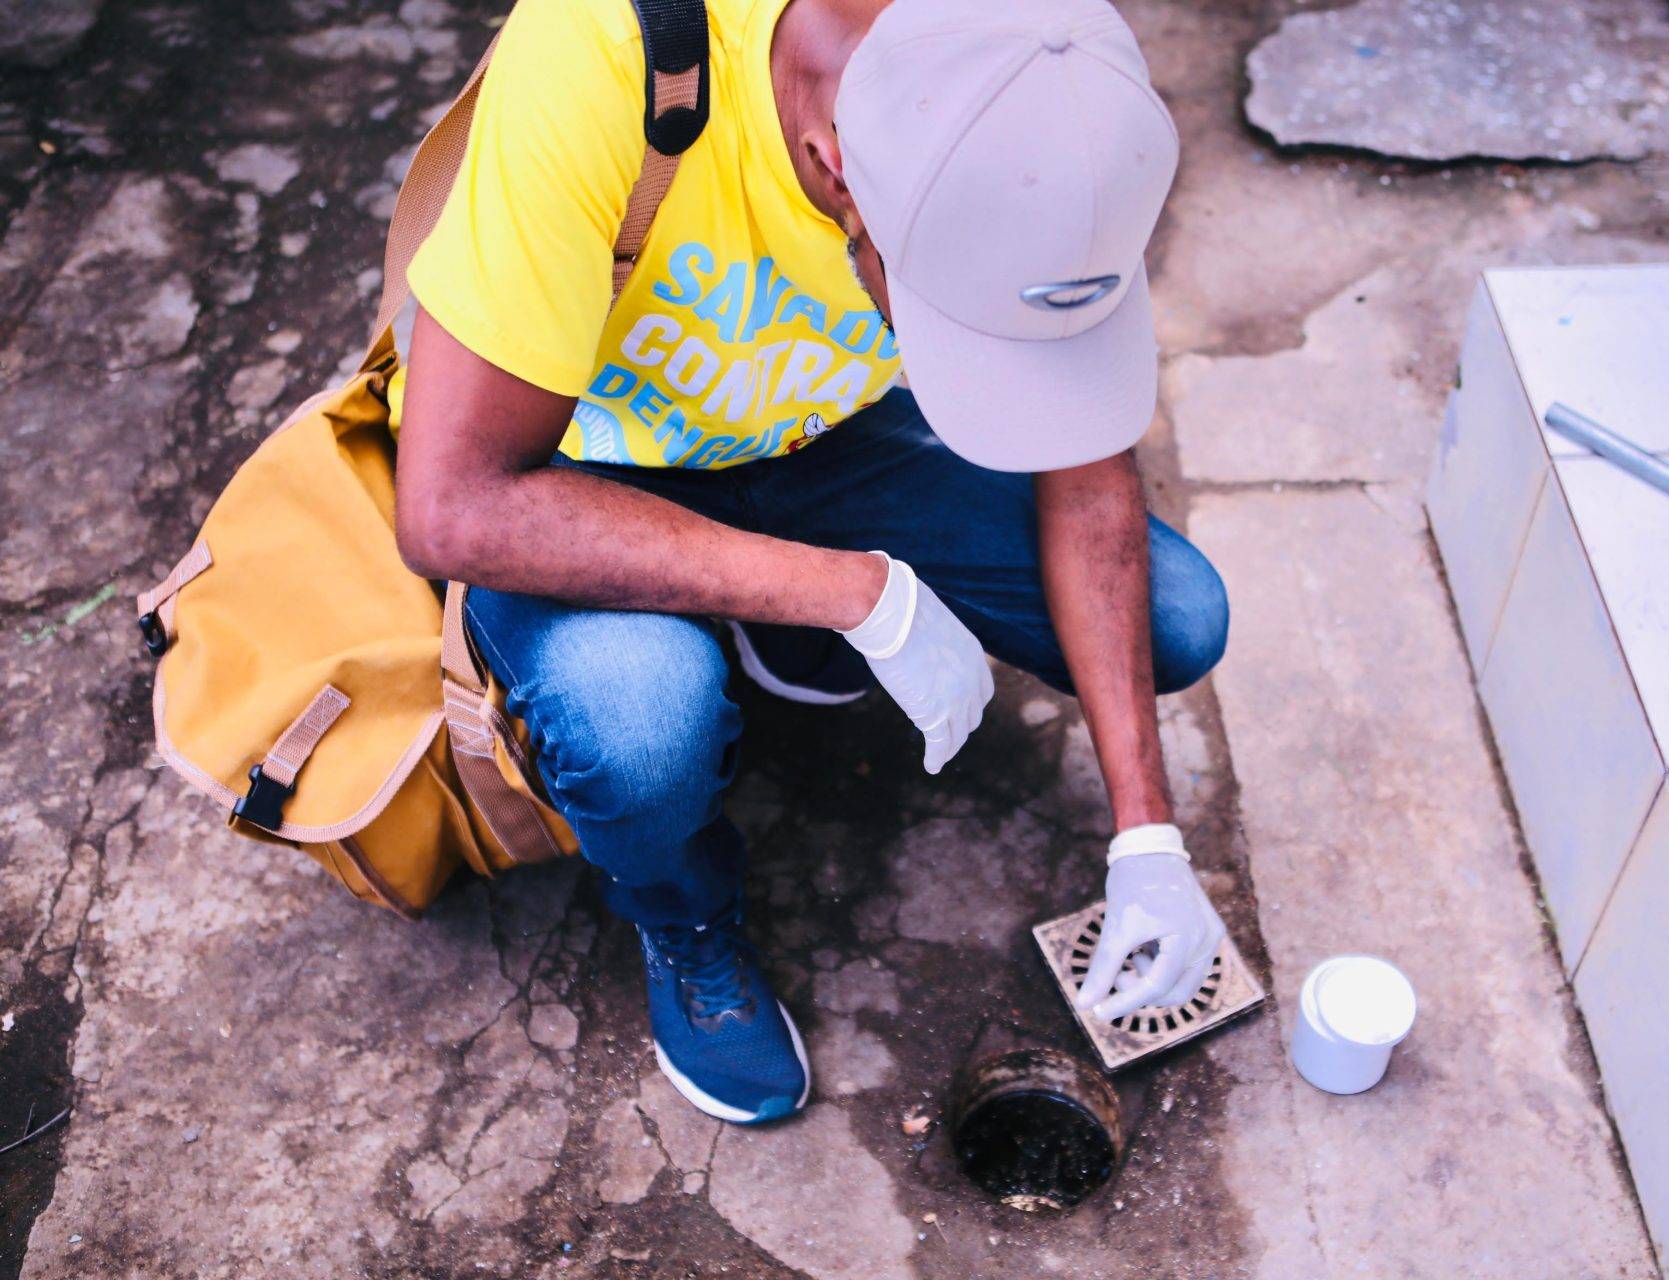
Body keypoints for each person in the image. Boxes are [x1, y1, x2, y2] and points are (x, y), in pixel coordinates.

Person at [392, 0, 1230, 1124]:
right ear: (833, 167)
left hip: (820, 429)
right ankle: (685, 911)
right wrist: (860, 593)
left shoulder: (1030, 58)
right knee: (641, 733)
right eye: (955, 317)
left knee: (1173, 616)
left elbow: (1085, 462)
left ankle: (771, 617)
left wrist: (1149, 836)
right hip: (592, 461)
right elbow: (453, 503)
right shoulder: (606, 55)